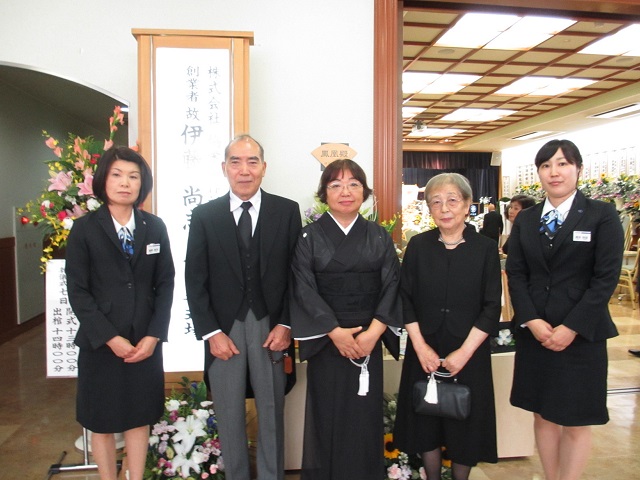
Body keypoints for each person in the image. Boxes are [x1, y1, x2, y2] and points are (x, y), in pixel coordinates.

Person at [506, 139, 624, 480]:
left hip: (581, 335)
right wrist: (530, 319)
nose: (554, 172)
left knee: (576, 418)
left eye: (562, 164)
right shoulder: (527, 219)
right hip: (537, 334)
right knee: (542, 414)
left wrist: (570, 327)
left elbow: (605, 279)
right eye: (546, 165)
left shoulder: (601, 215)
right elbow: (516, 273)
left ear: (578, 169)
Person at [185, 134, 301, 480]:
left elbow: (299, 275)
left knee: (271, 410)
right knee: (228, 412)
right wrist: (211, 333)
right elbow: (195, 279)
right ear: (224, 169)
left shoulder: (286, 210)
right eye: (236, 161)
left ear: (263, 168)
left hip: (272, 327)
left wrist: (287, 324)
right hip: (224, 330)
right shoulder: (205, 215)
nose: (244, 170)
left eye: (252, 162)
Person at [65, 146, 175, 480]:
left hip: (144, 342)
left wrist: (154, 335)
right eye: (117, 175)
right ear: (103, 180)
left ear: (143, 184)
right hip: (101, 344)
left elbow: (166, 284)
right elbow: (78, 292)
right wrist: (110, 337)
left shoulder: (154, 227)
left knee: (139, 417)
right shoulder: (84, 229)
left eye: (133, 176)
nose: (125, 183)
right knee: (102, 420)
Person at [290, 159, 402, 480]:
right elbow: (303, 288)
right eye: (336, 185)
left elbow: (393, 284)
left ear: (364, 192)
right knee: (327, 415)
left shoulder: (379, 236)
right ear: (324, 193)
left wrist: (374, 333)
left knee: (364, 417)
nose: (345, 192)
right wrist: (335, 332)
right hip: (328, 342)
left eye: (353, 184)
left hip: (369, 339)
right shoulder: (309, 237)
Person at [394, 173, 501, 480]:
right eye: (436, 202)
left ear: (468, 205)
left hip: (469, 352)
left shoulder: (484, 249)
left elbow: (491, 306)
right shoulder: (417, 246)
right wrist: (421, 347)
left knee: (464, 423)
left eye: (453, 200)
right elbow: (405, 299)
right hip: (424, 348)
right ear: (429, 208)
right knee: (424, 419)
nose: (444, 208)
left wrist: (463, 354)